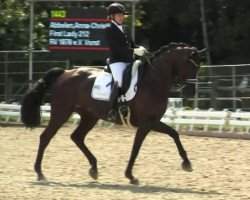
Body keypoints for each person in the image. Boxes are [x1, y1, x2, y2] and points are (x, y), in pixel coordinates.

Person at [105, 2, 146, 121]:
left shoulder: (125, 29)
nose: (121, 17)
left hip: (129, 60)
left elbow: (132, 45)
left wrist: (140, 48)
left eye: (122, 15)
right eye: (118, 15)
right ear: (112, 16)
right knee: (119, 81)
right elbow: (116, 48)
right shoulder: (109, 29)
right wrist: (134, 51)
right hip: (117, 61)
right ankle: (111, 110)